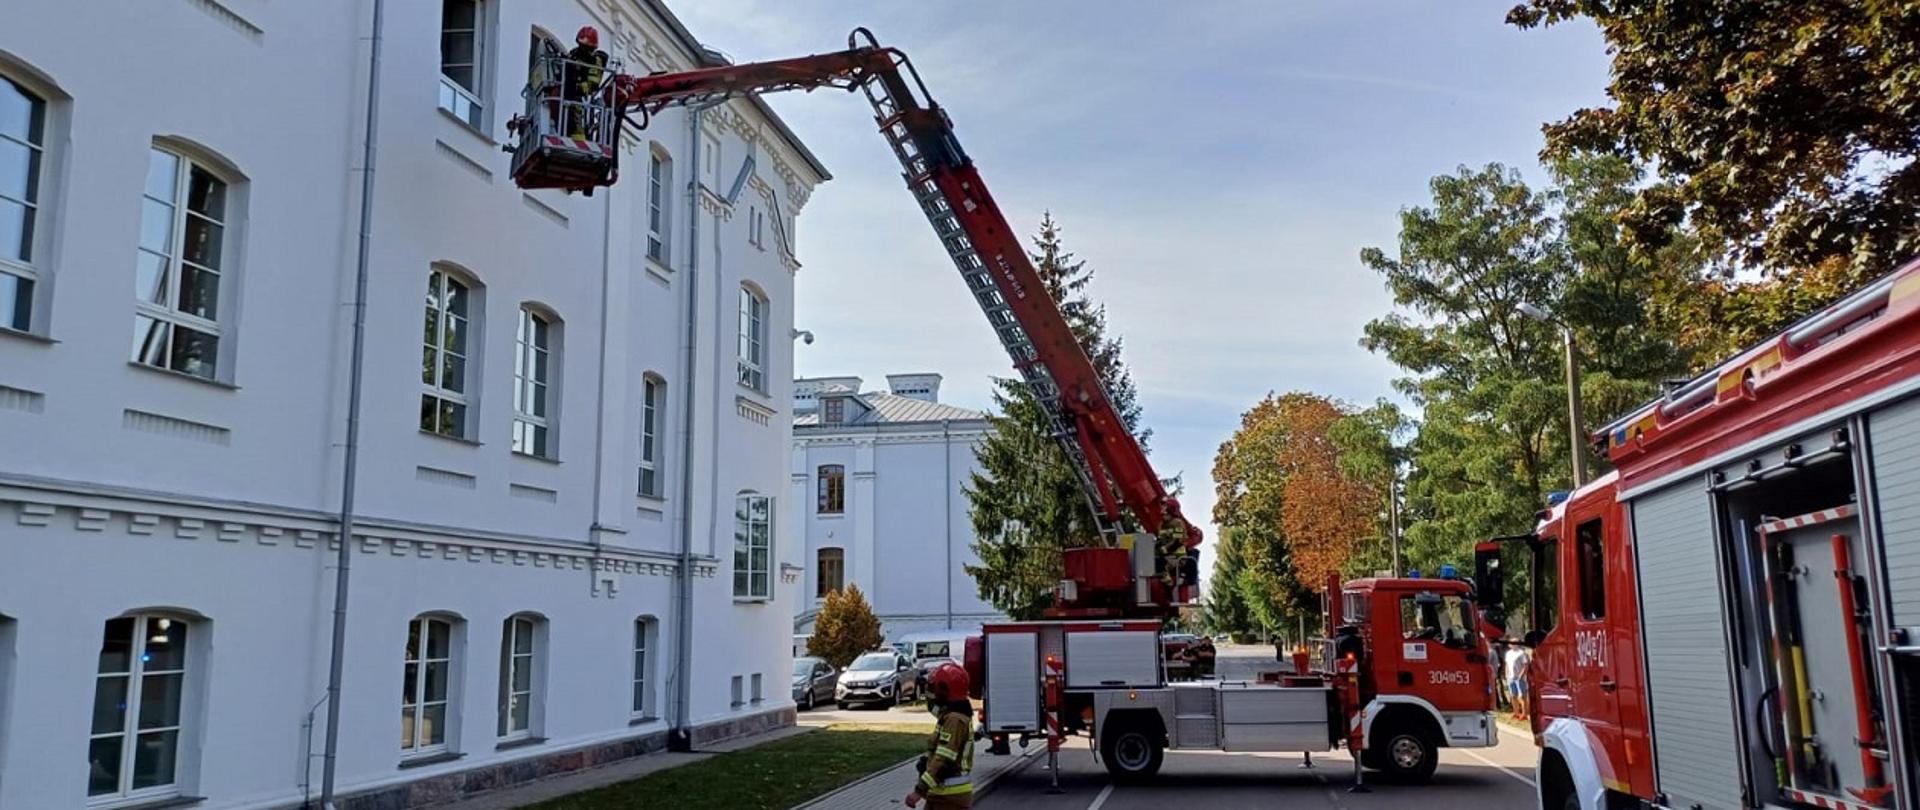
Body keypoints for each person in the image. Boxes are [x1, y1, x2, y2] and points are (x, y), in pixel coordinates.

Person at [906, 663, 976, 808]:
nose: (931, 694)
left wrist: (919, 790)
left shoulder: (954, 720)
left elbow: (943, 759)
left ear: (945, 690)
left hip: (949, 795)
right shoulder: (950, 716)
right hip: (941, 793)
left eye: (934, 688)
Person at [563, 26, 610, 139]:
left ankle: (578, 138)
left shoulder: (596, 60)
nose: (582, 49)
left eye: (585, 47)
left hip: (582, 94)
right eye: (581, 45)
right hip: (568, 91)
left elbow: (593, 83)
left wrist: (580, 87)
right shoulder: (574, 54)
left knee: (576, 107)